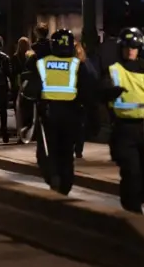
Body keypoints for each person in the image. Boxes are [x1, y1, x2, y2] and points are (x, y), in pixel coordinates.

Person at [29, 29, 97, 195]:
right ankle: (65, 186)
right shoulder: (77, 65)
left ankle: (53, 179)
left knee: (47, 153)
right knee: (66, 153)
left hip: (48, 115)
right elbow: (88, 93)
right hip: (71, 115)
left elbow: (31, 90)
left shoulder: (42, 63)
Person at [101, 27, 144, 214]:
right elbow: (100, 93)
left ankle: (137, 202)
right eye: (127, 47)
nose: (130, 50)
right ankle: (134, 214)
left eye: (134, 46)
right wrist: (108, 92)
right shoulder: (114, 70)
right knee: (132, 173)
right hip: (124, 130)